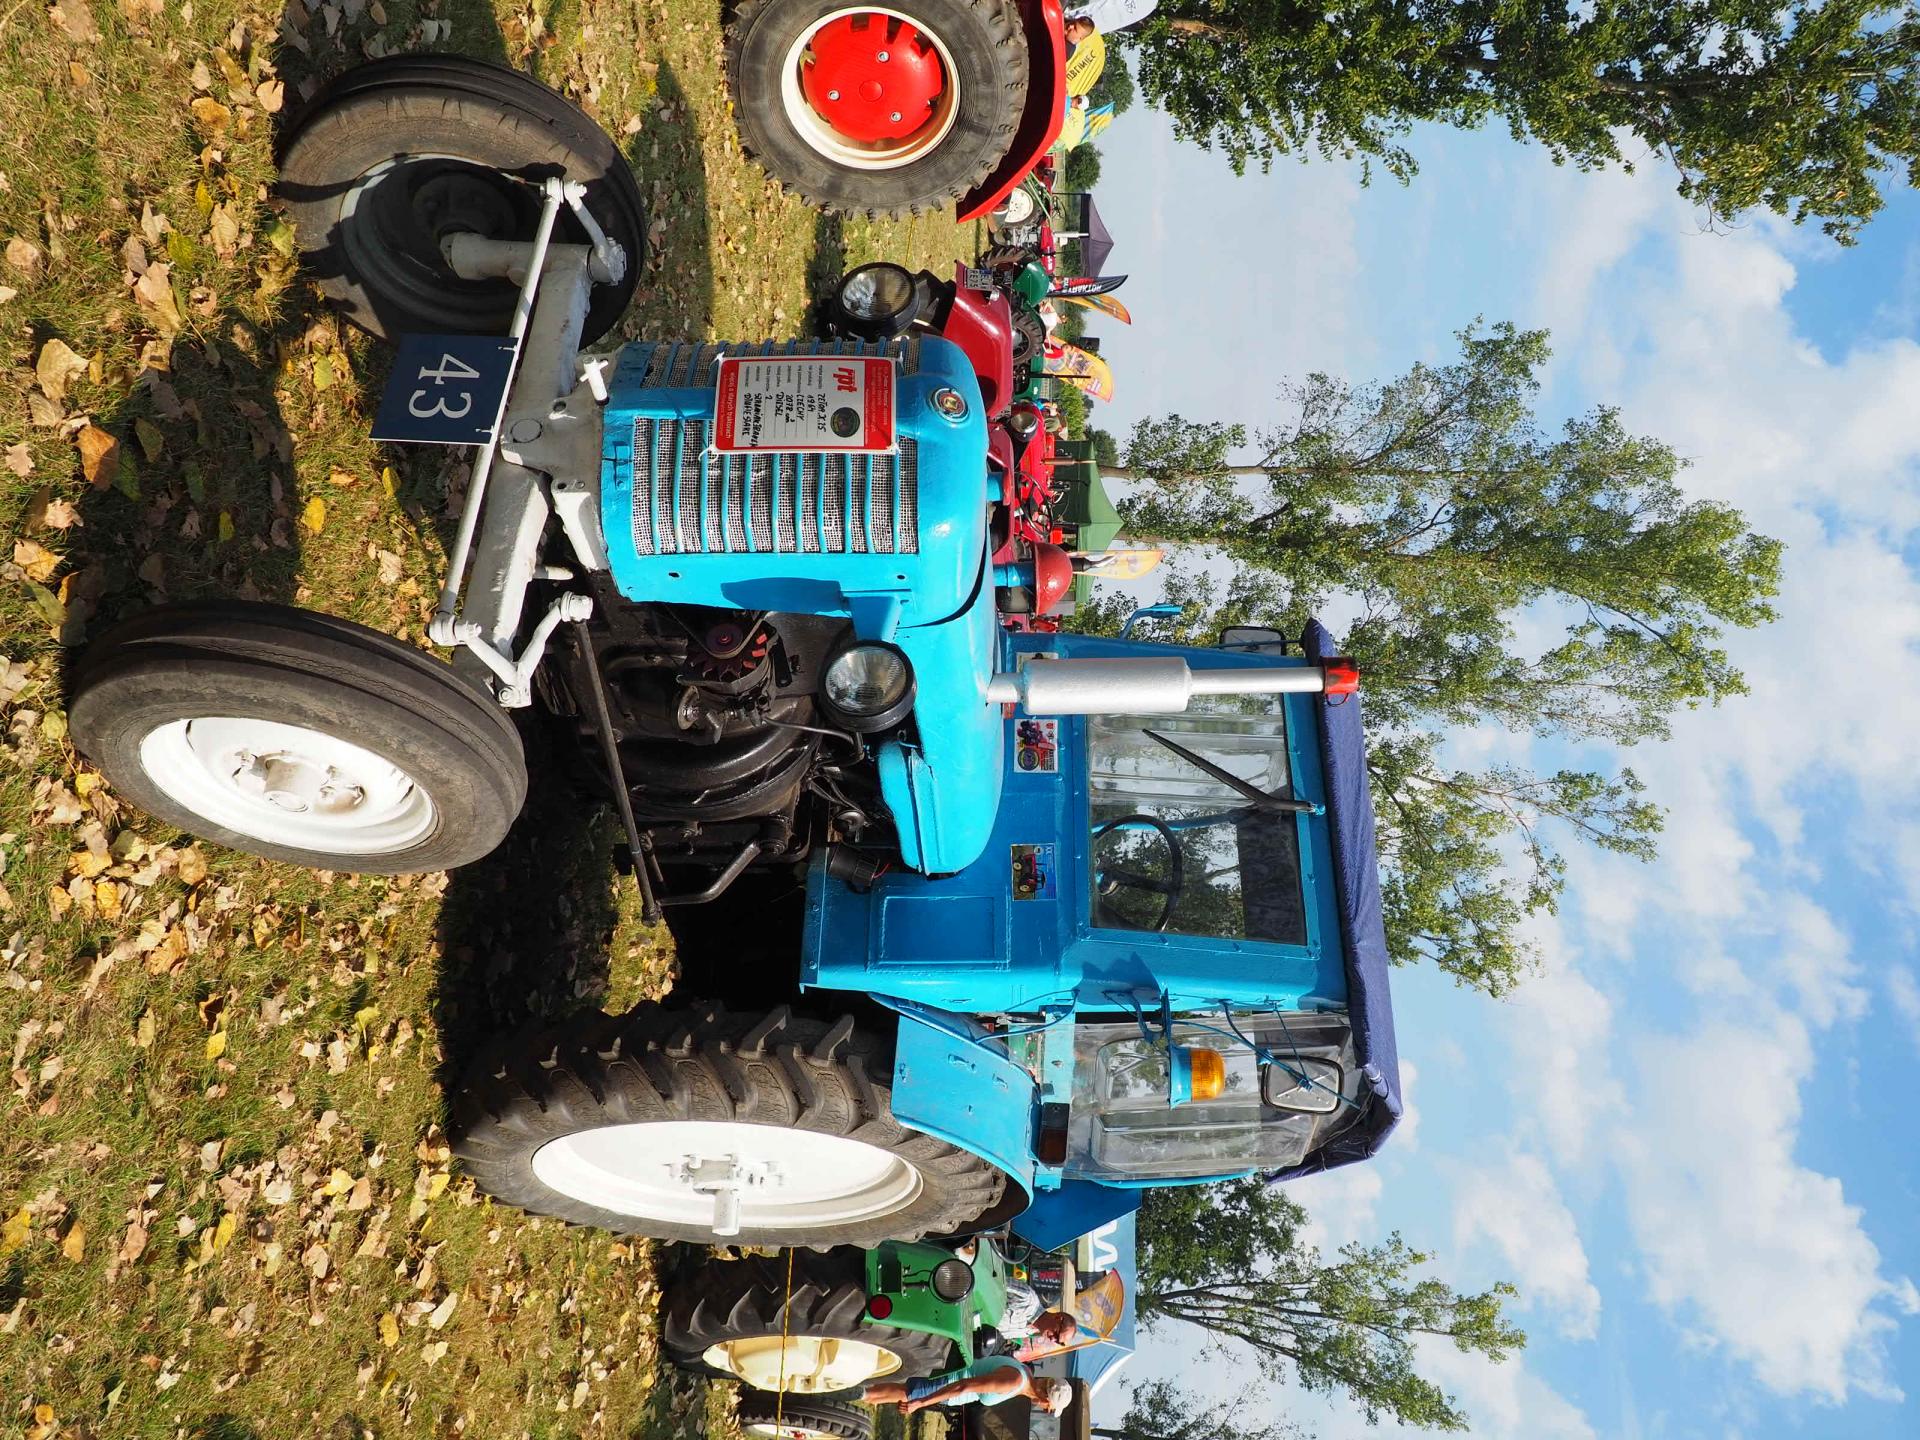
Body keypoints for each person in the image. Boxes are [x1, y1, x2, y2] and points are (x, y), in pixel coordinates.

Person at [863, 1357, 1074, 1415]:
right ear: (1045, 1398)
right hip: (947, 1383)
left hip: (948, 1383)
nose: (1045, 1410)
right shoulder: (1014, 1381)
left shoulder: (1025, 1373)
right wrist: (921, 1402)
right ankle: (851, 1391)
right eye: (1049, 1408)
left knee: (892, 1390)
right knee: (895, 1393)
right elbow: (964, 1386)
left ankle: (857, 1387)